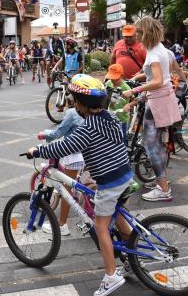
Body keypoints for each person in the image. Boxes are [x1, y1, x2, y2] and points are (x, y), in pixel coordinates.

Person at [28, 74, 132, 296]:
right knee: (119, 218)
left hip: (110, 181)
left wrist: (37, 151)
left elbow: (63, 147)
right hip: (125, 175)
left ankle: (111, 276)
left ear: (78, 103)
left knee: (100, 226)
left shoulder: (88, 128)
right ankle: (133, 259)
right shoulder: (110, 118)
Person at [122, 17, 181, 202]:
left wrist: (134, 90)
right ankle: (161, 182)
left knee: (151, 146)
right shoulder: (159, 49)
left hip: (156, 104)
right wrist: (139, 76)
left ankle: (163, 189)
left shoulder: (154, 54)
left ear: (145, 32)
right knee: (157, 145)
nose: (135, 35)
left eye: (138, 31)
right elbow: (161, 73)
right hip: (160, 100)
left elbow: (157, 81)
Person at [37, 106, 84, 236]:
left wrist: (44, 134)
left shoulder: (72, 113)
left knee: (67, 191)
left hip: (74, 156)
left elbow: (59, 132)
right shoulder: (93, 112)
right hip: (88, 154)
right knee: (86, 185)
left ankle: (62, 224)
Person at [104, 64, 131, 140]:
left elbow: (134, 100)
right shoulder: (109, 83)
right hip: (110, 115)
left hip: (121, 117)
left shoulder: (126, 87)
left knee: (121, 137)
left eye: (115, 79)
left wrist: (128, 105)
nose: (113, 81)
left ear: (121, 76)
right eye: (111, 78)